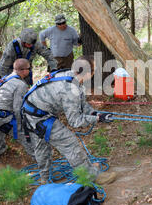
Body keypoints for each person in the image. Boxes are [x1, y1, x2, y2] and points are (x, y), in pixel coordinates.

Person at [21, 55, 116, 185]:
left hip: (30, 110)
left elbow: (81, 103)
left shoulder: (70, 76)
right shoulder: (70, 90)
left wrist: (94, 113)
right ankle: (91, 177)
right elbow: (75, 121)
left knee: (41, 146)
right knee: (70, 143)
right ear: (88, 73)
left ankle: (45, 178)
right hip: (39, 116)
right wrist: (97, 119)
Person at [0, 58, 36, 159]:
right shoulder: (20, 85)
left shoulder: (7, 78)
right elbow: (17, 109)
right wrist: (21, 126)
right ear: (23, 70)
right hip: (0, 117)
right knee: (23, 134)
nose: (30, 70)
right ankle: (38, 156)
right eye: (29, 68)